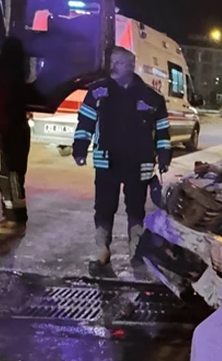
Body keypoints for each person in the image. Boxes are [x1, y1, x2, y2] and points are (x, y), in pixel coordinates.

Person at [72, 46, 172, 277]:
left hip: (139, 164)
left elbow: (163, 131)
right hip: (107, 162)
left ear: (132, 65)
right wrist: (79, 148)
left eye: (123, 62)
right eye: (115, 62)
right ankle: (101, 250)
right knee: (104, 207)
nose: (118, 66)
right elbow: (85, 121)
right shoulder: (98, 91)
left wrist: (164, 156)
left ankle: (136, 250)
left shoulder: (151, 97)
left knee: (136, 209)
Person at [0, 38, 30, 234]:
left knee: (9, 174)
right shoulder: (18, 74)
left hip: (7, 130)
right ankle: (13, 216)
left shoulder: (5, 75)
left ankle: (15, 219)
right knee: (13, 175)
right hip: (15, 129)